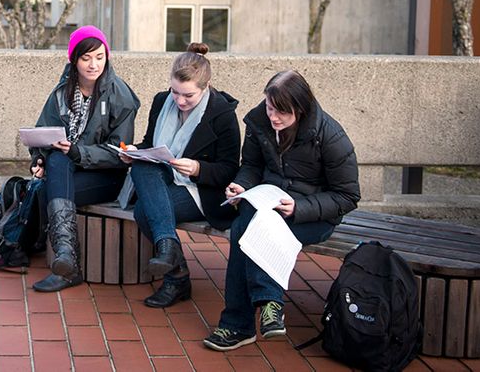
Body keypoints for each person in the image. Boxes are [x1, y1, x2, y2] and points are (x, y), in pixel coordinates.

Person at [203, 70, 361, 351]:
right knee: (248, 222)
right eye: (269, 107)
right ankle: (269, 305)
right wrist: (241, 186)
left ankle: (238, 324)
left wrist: (300, 207)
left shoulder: (330, 136)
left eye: (282, 111)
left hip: (314, 216)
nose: (273, 117)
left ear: (300, 108)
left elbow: (347, 196)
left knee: (245, 229)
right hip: (269, 203)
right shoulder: (259, 122)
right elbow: (251, 166)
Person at [123, 42, 241, 308]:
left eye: (188, 95)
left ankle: (176, 277)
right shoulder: (161, 101)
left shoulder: (222, 114)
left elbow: (230, 169)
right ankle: (169, 248)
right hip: (164, 179)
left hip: (201, 190)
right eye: (175, 91)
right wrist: (134, 151)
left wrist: (198, 169)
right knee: (141, 165)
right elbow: (150, 145)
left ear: (206, 87)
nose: (179, 101)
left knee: (144, 211)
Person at [29, 25, 140, 292]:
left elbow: (119, 152)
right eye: (86, 58)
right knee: (55, 161)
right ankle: (67, 258)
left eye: (100, 57)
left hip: (107, 177)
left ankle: (66, 262)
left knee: (52, 182)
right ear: (74, 60)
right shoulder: (61, 93)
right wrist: (39, 160)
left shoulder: (120, 95)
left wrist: (78, 152)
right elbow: (44, 132)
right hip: (68, 172)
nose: (93, 65)